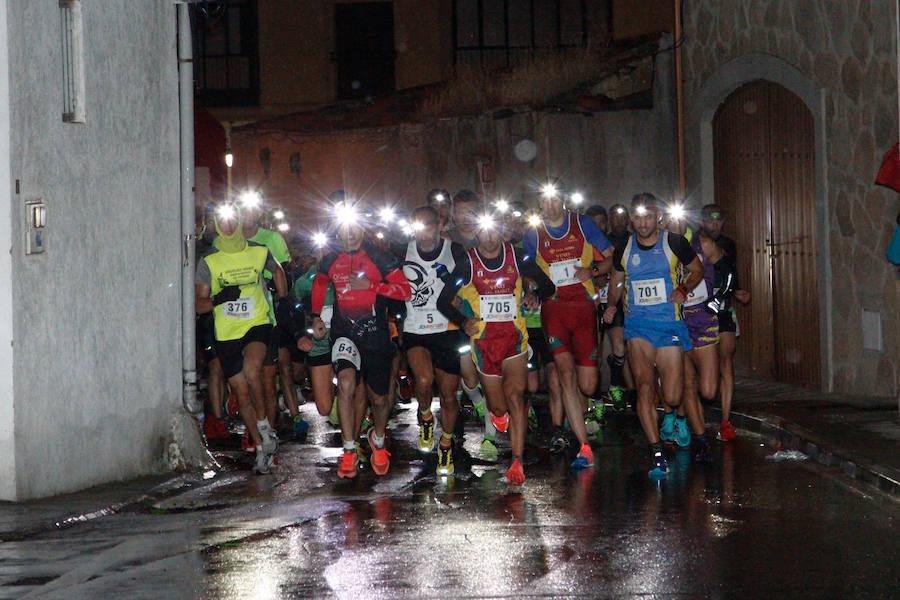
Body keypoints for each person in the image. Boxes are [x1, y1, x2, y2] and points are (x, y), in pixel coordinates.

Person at [437, 213, 555, 485]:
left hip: (515, 340)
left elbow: (548, 284)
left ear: (503, 233)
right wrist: (462, 321)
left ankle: (517, 460)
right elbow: (444, 301)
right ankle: (497, 415)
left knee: (516, 397)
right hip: (484, 344)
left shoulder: (518, 257)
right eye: (484, 232)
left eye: (495, 232)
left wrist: (534, 295)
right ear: (477, 234)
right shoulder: (467, 263)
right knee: (499, 407)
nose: (490, 237)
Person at [603, 193, 703, 479]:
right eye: (637, 217)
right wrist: (611, 306)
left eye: (648, 216)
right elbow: (618, 280)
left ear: (658, 216)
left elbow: (697, 270)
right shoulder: (624, 247)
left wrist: (683, 289)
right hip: (638, 327)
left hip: (669, 326)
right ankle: (656, 451)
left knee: (671, 395)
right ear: (631, 219)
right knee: (645, 387)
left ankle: (671, 415)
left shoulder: (674, 242)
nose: (642, 222)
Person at [310, 199, 411, 479]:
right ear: (338, 231)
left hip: (376, 336)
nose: (351, 233)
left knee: (379, 401)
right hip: (345, 334)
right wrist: (316, 317)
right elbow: (319, 284)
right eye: (345, 228)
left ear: (363, 230)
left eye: (355, 227)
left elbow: (405, 292)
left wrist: (372, 286)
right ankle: (349, 449)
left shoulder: (380, 257)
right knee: (345, 385)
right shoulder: (330, 260)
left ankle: (377, 440)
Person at [523, 180, 613, 470]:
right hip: (554, 311)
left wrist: (593, 270)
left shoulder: (582, 223)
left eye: (554, 200)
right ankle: (583, 446)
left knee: (587, 383)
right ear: (539, 205)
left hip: (584, 309)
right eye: (543, 202)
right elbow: (528, 272)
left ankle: (582, 424)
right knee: (564, 375)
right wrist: (532, 292)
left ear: (562, 201)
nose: (549, 206)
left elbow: (612, 258)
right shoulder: (532, 235)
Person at [195, 203, 289, 474]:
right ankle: (261, 446)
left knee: (252, 371)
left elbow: (279, 270)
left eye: (231, 220)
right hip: (226, 334)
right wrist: (218, 298)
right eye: (221, 221)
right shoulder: (209, 261)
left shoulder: (258, 251)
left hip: (257, 324)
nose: (227, 226)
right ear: (216, 224)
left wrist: (281, 296)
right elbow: (198, 305)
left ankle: (263, 426)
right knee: (241, 393)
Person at [229, 192, 308, 439]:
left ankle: (285, 420)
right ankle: (255, 426)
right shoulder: (230, 241)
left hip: (272, 313)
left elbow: (283, 273)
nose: (248, 215)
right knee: (247, 375)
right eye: (243, 210)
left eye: (252, 210)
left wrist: (279, 298)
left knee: (277, 369)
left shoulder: (272, 238)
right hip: (238, 318)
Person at [402, 205, 465, 475]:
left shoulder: (455, 251)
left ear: (439, 225)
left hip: (447, 328)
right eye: (418, 227)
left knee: (450, 395)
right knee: (424, 380)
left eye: (428, 226)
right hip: (415, 327)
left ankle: (446, 444)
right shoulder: (401, 250)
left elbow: (470, 278)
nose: (424, 234)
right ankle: (426, 416)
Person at [443, 190, 495, 459]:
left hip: (490, 317)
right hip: (459, 318)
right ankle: (476, 401)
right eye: (461, 212)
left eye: (471, 212)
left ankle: (490, 438)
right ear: (453, 213)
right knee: (469, 376)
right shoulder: (446, 239)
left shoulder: (488, 236)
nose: (466, 218)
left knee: (489, 377)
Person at [700, 204, 750, 441]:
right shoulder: (692, 243)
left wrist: (738, 291)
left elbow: (732, 271)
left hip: (723, 308)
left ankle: (726, 420)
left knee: (726, 360)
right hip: (698, 310)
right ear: (702, 221)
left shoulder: (728, 244)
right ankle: (692, 416)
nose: (715, 225)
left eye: (719, 221)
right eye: (710, 220)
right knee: (701, 364)